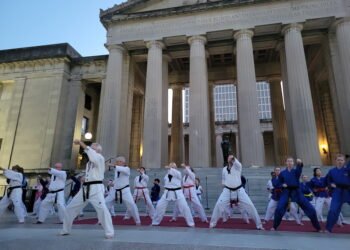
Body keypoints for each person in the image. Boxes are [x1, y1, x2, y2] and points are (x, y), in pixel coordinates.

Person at [60, 140, 114, 239]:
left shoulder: (100, 158)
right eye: (90, 149)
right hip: (85, 189)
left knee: (102, 210)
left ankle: (109, 232)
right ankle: (65, 230)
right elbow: (93, 173)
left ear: (98, 150)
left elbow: (92, 154)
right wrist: (85, 178)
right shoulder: (90, 162)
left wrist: (81, 143)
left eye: (92, 149)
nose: (90, 150)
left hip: (96, 189)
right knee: (70, 208)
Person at [210, 155, 263, 230]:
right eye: (229, 158)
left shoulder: (238, 167)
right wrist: (223, 184)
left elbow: (237, 163)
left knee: (250, 205)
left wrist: (233, 159)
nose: (231, 159)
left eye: (232, 158)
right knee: (219, 205)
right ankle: (212, 223)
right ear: (227, 159)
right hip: (227, 190)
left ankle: (259, 225)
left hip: (239, 190)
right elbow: (224, 179)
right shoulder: (224, 169)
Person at [271, 157, 321, 232]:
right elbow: (278, 183)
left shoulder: (296, 171)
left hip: (297, 191)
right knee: (279, 208)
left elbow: (299, 169)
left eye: (291, 161)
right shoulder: (282, 173)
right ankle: (274, 226)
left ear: (293, 163)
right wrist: (282, 185)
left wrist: (299, 163)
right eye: (288, 161)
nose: (290, 162)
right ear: (286, 163)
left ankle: (318, 227)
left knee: (310, 209)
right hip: (286, 192)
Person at [152, 163, 194, 227]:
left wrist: (170, 168)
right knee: (159, 206)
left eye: (173, 166)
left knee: (185, 207)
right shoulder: (166, 175)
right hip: (167, 192)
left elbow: (175, 173)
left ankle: (191, 223)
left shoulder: (178, 173)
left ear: (175, 167)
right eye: (170, 165)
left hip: (177, 192)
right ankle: (155, 222)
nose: (171, 167)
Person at [106, 156, 141, 225]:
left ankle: (138, 221)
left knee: (131, 205)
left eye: (117, 162)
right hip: (115, 190)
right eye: (116, 162)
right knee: (106, 203)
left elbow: (122, 169)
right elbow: (117, 179)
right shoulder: (116, 169)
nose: (116, 163)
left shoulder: (127, 169)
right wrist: (112, 183)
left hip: (125, 191)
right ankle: (102, 220)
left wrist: (113, 165)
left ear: (121, 162)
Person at [325, 154, 350, 233]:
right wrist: (330, 184)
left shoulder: (348, 169)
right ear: (335, 161)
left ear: (344, 161)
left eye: (341, 160)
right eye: (338, 160)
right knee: (333, 210)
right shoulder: (332, 171)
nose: (340, 161)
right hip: (337, 192)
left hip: (348, 191)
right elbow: (328, 180)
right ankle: (328, 228)